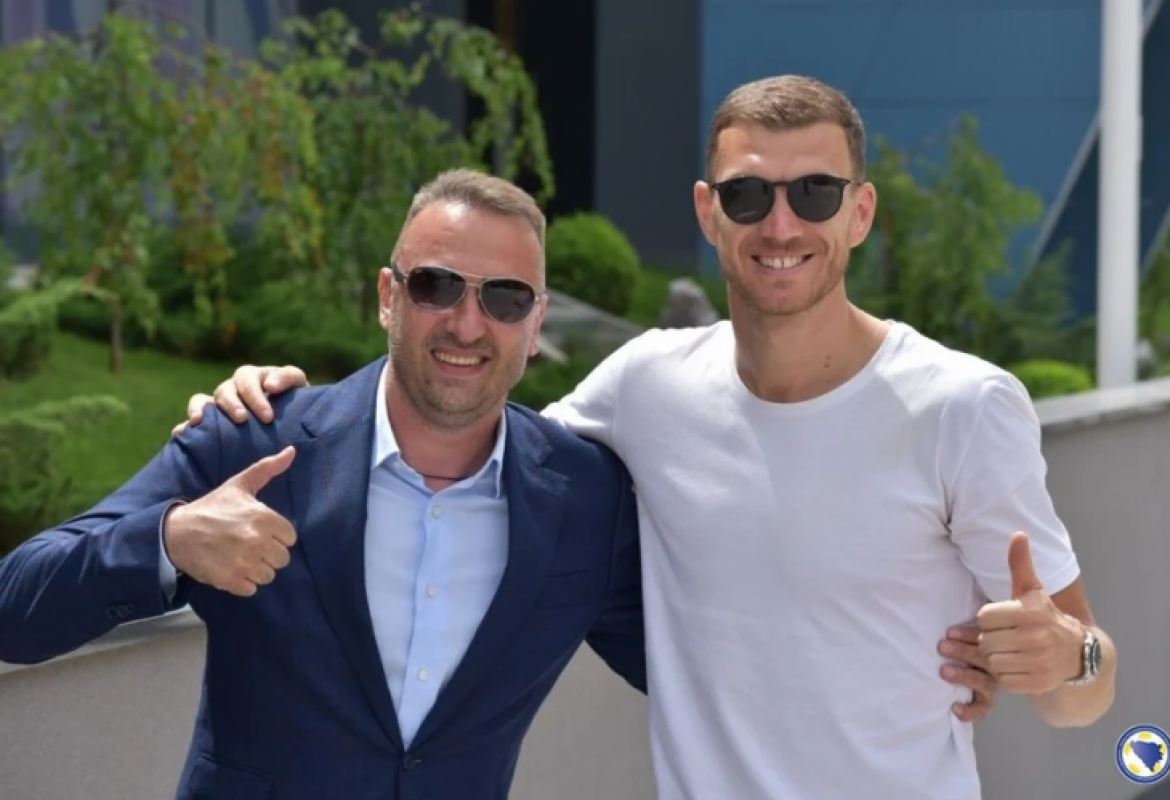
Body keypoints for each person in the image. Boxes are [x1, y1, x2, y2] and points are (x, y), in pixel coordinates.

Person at [192, 76, 1116, 800]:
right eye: (748, 195)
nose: (781, 224)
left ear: (860, 212)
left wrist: (1064, 659)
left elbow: (1087, 690)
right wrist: (278, 408)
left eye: (815, 193)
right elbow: (474, 437)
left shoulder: (963, 405)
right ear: (708, 211)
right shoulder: (647, 386)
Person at [0, 170, 651, 800]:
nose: (467, 324)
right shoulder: (252, 440)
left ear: (536, 325)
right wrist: (171, 539)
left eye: (506, 298)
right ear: (388, 297)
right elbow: (15, 609)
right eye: (436, 286)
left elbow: (688, 669)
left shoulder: (586, 501)